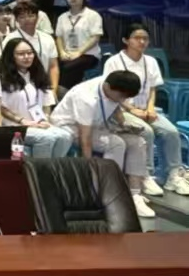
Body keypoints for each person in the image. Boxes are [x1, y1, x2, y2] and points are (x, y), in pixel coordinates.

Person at [50, 69, 154, 216]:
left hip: (98, 124)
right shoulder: (86, 98)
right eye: (121, 96)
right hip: (70, 126)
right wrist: (88, 169)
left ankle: (135, 195)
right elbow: (85, 138)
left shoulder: (113, 82)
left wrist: (123, 125)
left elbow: (116, 105)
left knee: (138, 142)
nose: (122, 99)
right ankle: (108, 192)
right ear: (108, 87)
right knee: (116, 144)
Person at [103, 23, 189, 196]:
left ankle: (172, 175)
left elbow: (152, 89)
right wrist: (131, 109)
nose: (142, 42)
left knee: (171, 132)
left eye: (145, 38)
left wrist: (150, 109)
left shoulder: (150, 61)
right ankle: (145, 175)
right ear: (126, 40)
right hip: (122, 110)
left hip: (145, 109)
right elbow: (110, 92)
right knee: (146, 131)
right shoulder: (114, 62)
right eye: (137, 38)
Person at [0, 37, 73, 158]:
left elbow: (47, 104)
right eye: (21, 54)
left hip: (37, 123)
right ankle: (39, 168)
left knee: (65, 136)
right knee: (46, 138)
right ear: (11, 57)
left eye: (30, 53)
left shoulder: (38, 74)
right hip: (14, 125)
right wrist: (23, 121)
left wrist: (44, 119)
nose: (27, 57)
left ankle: (53, 167)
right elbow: (0, 108)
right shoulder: (0, 78)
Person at [53, 0, 103, 88]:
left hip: (88, 54)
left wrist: (79, 52)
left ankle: (64, 91)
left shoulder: (93, 15)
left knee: (68, 67)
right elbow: (59, 37)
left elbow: (95, 37)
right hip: (67, 53)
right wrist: (62, 52)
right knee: (51, 63)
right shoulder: (62, 17)